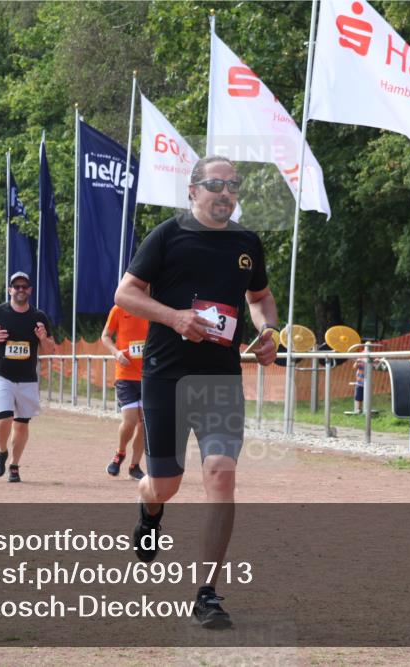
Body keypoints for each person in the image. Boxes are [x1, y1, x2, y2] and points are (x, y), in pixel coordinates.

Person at [114, 155, 278, 630]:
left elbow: (259, 297)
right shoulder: (168, 235)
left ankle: (206, 593)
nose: (224, 192)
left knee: (221, 475)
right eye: (214, 184)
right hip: (166, 376)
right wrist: (175, 317)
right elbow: (126, 294)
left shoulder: (247, 243)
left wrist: (267, 330)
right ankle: (149, 510)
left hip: (220, 380)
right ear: (192, 191)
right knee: (165, 484)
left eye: (232, 185)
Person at [0, 271, 55, 483]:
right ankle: (2, 451)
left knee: (21, 424)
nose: (20, 290)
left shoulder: (39, 317)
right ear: (9, 289)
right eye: (16, 286)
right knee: (4, 417)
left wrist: (43, 338)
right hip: (1, 375)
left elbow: (49, 350)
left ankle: (15, 466)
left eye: (24, 286)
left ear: (30, 290)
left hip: (27, 378)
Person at [100, 303, 149, 480]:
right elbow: (105, 336)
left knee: (144, 424)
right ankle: (120, 453)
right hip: (125, 375)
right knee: (130, 420)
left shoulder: (153, 307)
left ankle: (135, 466)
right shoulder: (119, 309)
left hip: (148, 375)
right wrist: (116, 352)